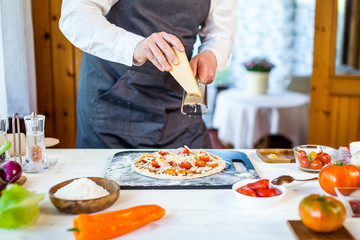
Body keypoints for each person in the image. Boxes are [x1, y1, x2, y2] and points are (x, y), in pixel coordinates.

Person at [59, 0, 236, 149]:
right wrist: (135, 46)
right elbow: (76, 15)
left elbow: (220, 33)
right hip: (113, 103)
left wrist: (212, 54)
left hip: (180, 110)